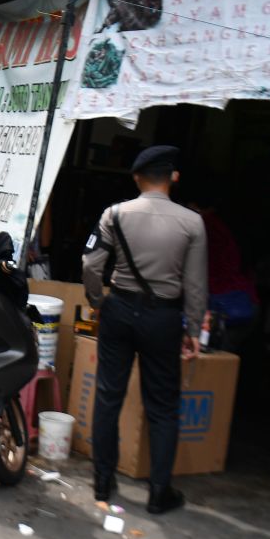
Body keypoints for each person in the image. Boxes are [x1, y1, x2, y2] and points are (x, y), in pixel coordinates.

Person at [81, 145, 208, 515]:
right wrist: (194, 330)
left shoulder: (115, 214)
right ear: (174, 178)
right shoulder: (192, 223)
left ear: (137, 178)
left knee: (108, 397)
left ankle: (103, 484)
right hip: (163, 318)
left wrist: (96, 302)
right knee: (163, 407)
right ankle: (158, 492)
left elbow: (90, 264)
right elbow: (196, 285)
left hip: (118, 309)